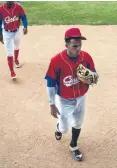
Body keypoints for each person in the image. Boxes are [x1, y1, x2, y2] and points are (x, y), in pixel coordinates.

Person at [44, 28, 98, 161]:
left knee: (78, 122)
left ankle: (73, 146)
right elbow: (50, 84)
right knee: (64, 129)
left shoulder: (86, 57)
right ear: (67, 45)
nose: (78, 48)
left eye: (80, 45)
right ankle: (58, 128)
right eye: (75, 46)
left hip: (81, 97)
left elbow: (94, 73)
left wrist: (93, 78)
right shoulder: (56, 61)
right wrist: (51, 104)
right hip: (64, 100)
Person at [0, 1, 28, 80]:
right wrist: (0, 34)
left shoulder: (18, 7)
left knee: (16, 46)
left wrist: (25, 26)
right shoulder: (0, 9)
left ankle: (16, 59)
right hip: (6, 33)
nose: (10, 2)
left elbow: (24, 17)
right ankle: (12, 72)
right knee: (9, 52)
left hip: (17, 31)